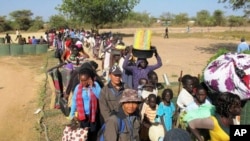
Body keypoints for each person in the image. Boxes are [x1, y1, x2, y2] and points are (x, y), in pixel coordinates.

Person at [68, 67, 102, 140]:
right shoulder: (78, 87)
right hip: (83, 116)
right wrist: (72, 114)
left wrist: (92, 87)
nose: (83, 83)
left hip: (93, 115)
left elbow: (100, 97)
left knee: (93, 133)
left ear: (90, 78)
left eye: (85, 80)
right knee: (84, 133)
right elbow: (74, 101)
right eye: (81, 80)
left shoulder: (96, 85)